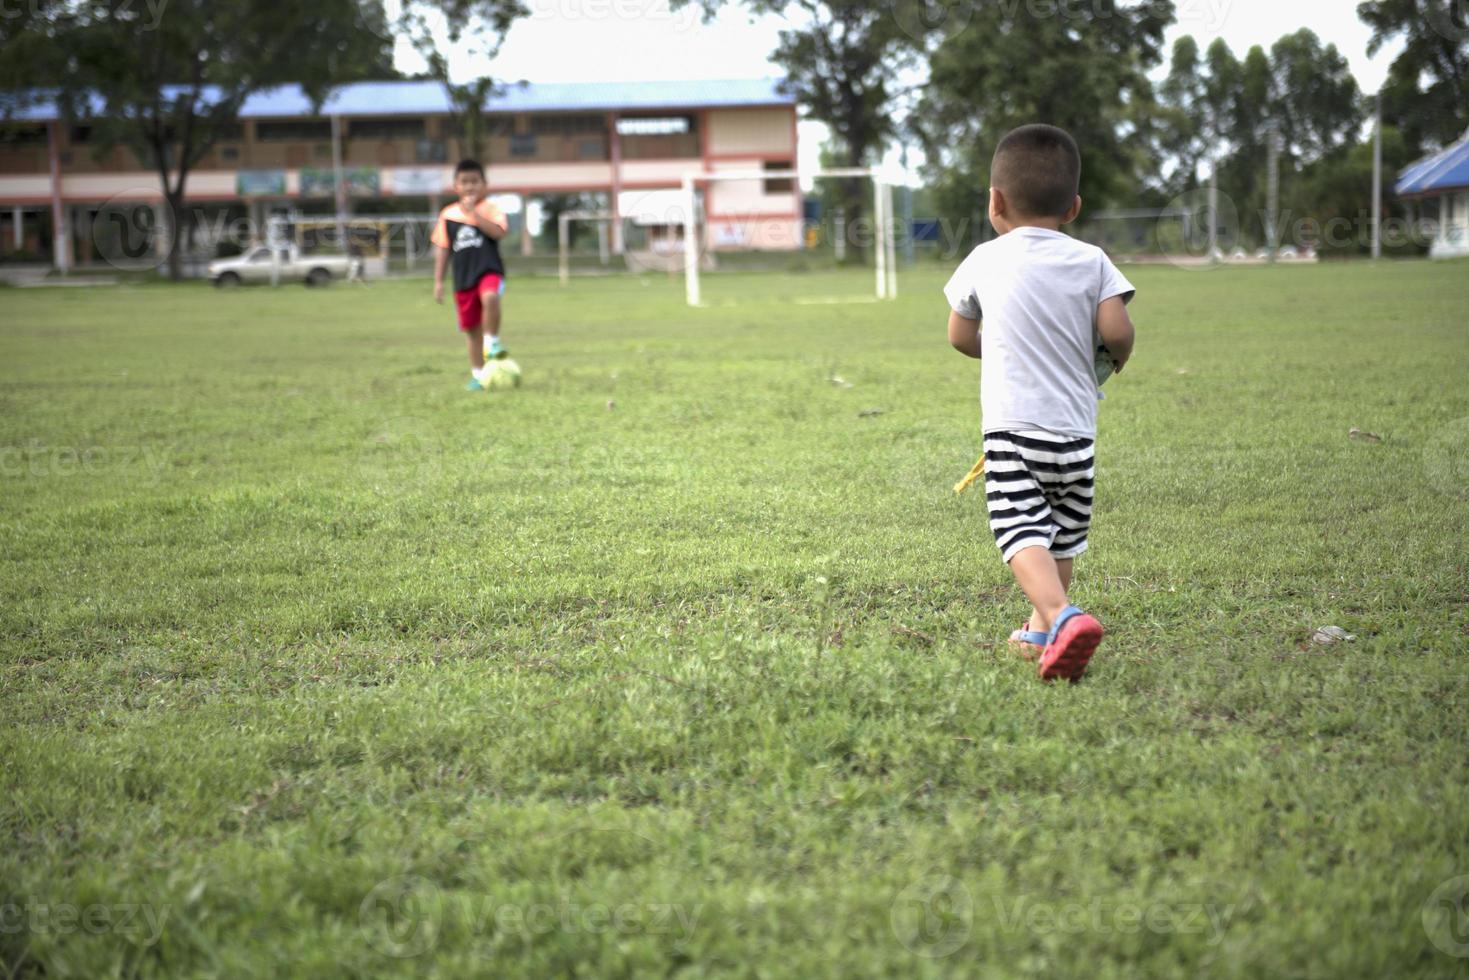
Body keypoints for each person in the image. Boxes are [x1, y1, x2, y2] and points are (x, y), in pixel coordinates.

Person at [943, 124, 1137, 682]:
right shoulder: (1094, 260)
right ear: (1073, 207)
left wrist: (1000, 348)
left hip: (1014, 429)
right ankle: (1037, 630)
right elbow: (1117, 330)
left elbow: (959, 335)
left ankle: (1062, 615)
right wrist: (1116, 356)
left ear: (994, 201)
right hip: (1077, 433)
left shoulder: (984, 258)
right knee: (1061, 531)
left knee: (1018, 529)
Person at [432, 159, 510, 391]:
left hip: (488, 270)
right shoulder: (448, 215)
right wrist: (438, 282)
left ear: (485, 184)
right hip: (462, 279)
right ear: (456, 186)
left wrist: (474, 213)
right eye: (464, 182)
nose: (470, 187)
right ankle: (478, 375)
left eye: (475, 182)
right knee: (471, 330)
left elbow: (498, 233)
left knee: (491, 298)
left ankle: (493, 342)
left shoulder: (491, 209)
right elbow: (443, 248)